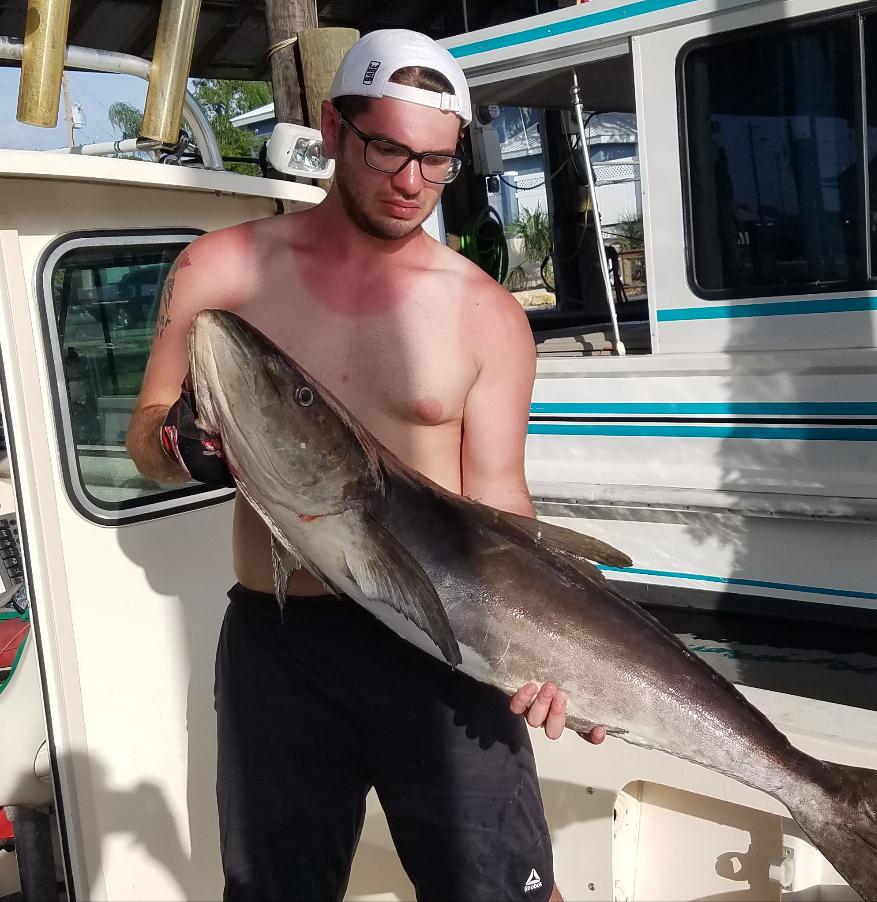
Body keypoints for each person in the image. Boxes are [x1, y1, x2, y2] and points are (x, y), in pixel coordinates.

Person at [126, 28, 604, 902]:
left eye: (436, 162)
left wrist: (545, 651)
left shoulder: (486, 313)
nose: (410, 182)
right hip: (283, 646)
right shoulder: (221, 270)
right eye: (388, 149)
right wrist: (180, 445)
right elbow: (147, 433)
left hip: (448, 645)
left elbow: (498, 501)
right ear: (333, 127)